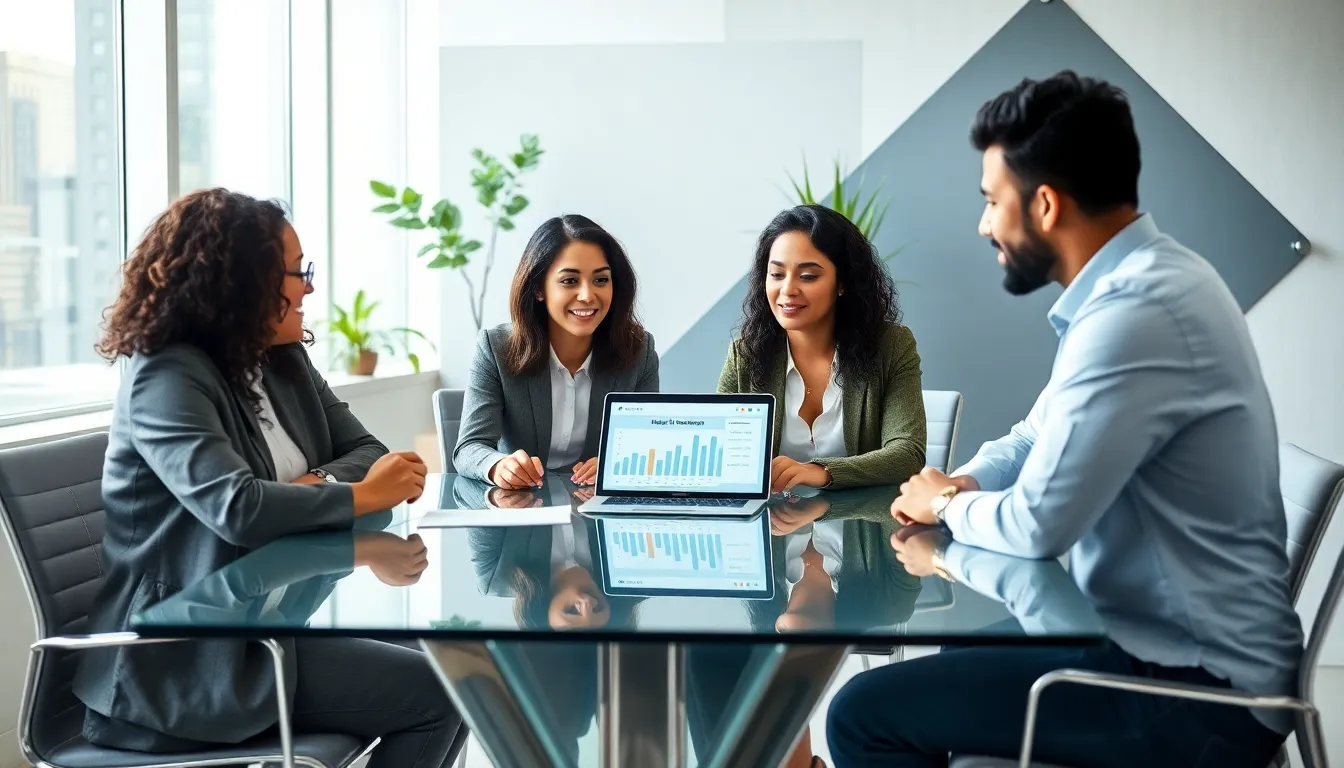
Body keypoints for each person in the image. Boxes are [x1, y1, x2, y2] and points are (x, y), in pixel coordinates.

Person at [827, 71, 1303, 767]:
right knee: (960, 646)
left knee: (859, 716)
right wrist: (956, 481)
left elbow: (1039, 525)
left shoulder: (1134, 315)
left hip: (1194, 695)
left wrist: (949, 503)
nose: (984, 224)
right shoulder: (1145, 285)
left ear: (1045, 204)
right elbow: (1032, 435)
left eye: (992, 201)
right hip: (1157, 646)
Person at [73, 188, 465, 768]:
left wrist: (309, 489)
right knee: (441, 694)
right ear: (238, 282)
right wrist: (357, 494)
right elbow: (237, 509)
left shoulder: (280, 358)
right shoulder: (165, 374)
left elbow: (366, 449)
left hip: (273, 615)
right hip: (184, 659)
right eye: (296, 271)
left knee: (462, 662)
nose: (309, 286)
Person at [718, 204, 926, 494]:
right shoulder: (745, 354)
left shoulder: (890, 346)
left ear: (842, 283)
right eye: (777, 274)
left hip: (859, 529)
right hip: (775, 529)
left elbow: (907, 454)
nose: (788, 289)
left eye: (808, 276)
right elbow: (720, 453)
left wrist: (821, 472)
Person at [454, 213, 659, 488]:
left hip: (595, 512)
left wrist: (618, 463)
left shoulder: (639, 351)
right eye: (569, 281)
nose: (587, 295)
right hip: (521, 512)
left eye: (600, 280)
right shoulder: (496, 348)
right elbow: (470, 447)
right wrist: (498, 465)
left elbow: (649, 443)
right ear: (539, 288)